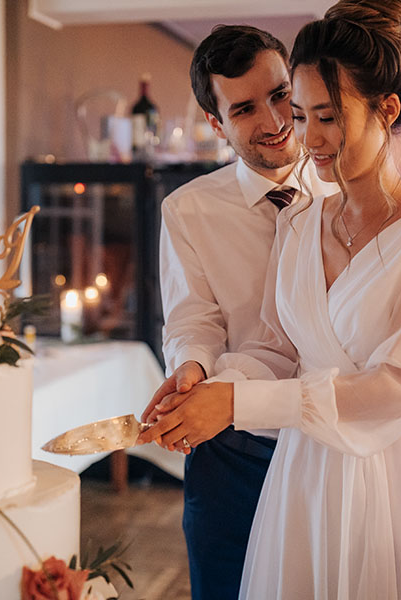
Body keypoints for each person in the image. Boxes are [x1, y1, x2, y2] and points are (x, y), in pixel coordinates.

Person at [139, 1, 401, 598]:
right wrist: (201, 391)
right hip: (285, 467)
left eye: (319, 114)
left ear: (386, 109)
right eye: (301, 115)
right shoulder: (297, 223)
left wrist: (238, 401)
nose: (299, 134)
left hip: (377, 470)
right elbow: (267, 343)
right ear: (218, 123)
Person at [140, 25, 334, 600]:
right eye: (245, 108)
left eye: (280, 94)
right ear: (216, 122)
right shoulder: (188, 210)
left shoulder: (346, 192)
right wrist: (191, 372)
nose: (274, 119)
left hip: (328, 441)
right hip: (232, 448)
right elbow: (193, 319)